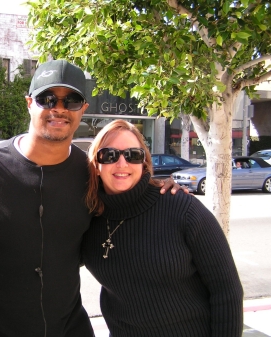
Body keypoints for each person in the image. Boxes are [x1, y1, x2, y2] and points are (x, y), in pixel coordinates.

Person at [0, 60, 187, 337]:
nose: (59, 109)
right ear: (29, 103)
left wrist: (161, 188)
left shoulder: (92, 175)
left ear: (83, 109)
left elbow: (129, 195)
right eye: (47, 99)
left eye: (71, 101)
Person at [82, 119, 244, 337]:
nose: (122, 163)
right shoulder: (88, 217)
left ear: (144, 162)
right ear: (96, 164)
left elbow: (227, 291)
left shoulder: (180, 207)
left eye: (133, 155)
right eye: (109, 155)